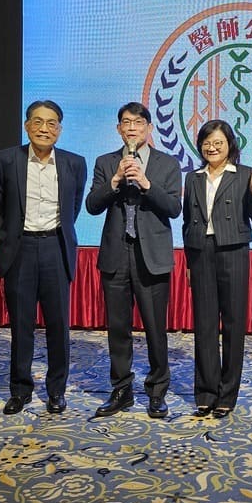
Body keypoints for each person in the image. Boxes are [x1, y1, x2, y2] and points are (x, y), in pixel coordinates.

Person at [86, 102, 182, 418]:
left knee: (155, 327)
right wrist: (114, 180)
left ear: (149, 128)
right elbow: (92, 205)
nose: (132, 128)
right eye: (126, 122)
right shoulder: (105, 162)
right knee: (118, 328)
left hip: (151, 256)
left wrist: (146, 183)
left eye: (138, 122)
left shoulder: (167, 163)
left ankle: (157, 391)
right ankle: (121, 389)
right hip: (116, 255)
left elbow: (174, 208)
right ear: (118, 129)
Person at [0, 100, 87, 416]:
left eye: (51, 123)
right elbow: (3, 203)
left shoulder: (74, 163)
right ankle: (20, 390)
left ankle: (56, 391)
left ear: (59, 129)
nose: (44, 129)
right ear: (27, 125)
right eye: (38, 122)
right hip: (21, 249)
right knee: (22, 325)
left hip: (56, 248)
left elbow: (73, 208)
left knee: (59, 326)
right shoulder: (6, 160)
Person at [182, 119, 252, 419]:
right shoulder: (193, 178)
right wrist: (189, 260)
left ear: (230, 145)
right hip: (201, 253)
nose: (212, 147)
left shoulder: (244, 175)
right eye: (207, 142)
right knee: (204, 326)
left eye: (218, 142)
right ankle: (206, 393)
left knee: (233, 325)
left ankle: (227, 395)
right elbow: (187, 223)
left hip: (233, 252)